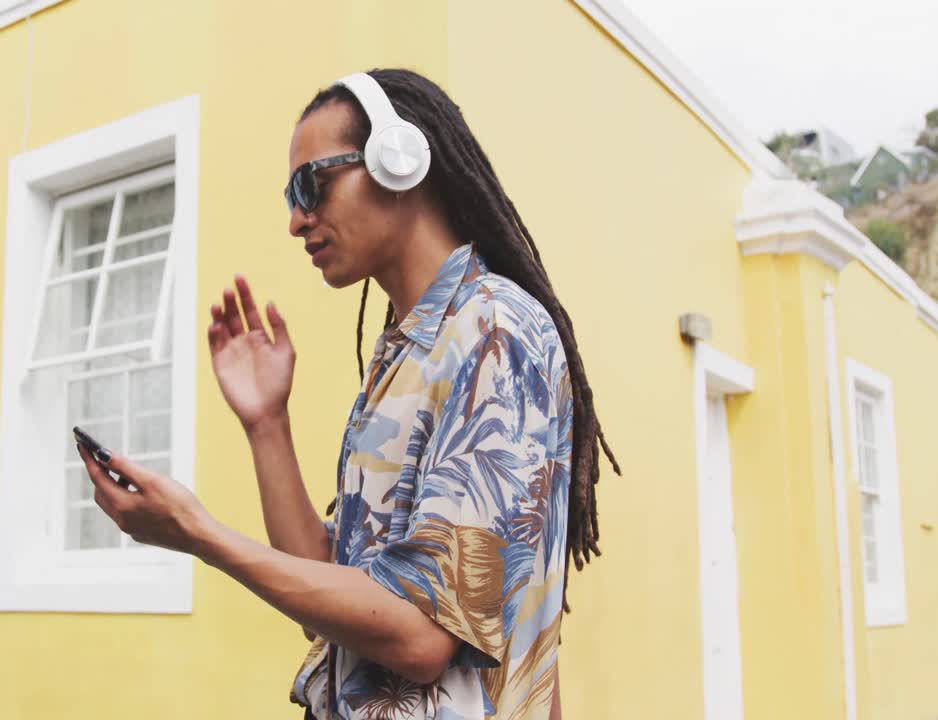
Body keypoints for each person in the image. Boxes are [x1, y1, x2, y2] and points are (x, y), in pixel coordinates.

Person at [76, 68, 620, 720]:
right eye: (290, 195)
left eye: (313, 185)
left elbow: (420, 637)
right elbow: (345, 599)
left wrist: (199, 534)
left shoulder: (492, 330)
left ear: (400, 161)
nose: (297, 219)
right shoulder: (412, 347)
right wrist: (266, 423)